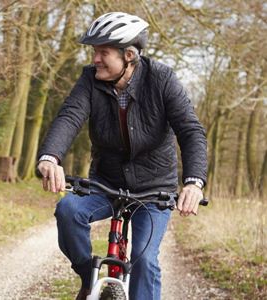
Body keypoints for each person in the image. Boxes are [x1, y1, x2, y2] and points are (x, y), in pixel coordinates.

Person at [36, 12, 207, 300]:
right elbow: (69, 116)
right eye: (94, 52)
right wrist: (50, 157)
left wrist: (193, 182)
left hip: (155, 190)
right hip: (106, 183)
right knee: (68, 211)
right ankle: (87, 277)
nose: (95, 59)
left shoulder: (162, 79)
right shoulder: (89, 80)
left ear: (129, 55)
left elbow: (191, 131)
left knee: (142, 258)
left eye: (103, 52)